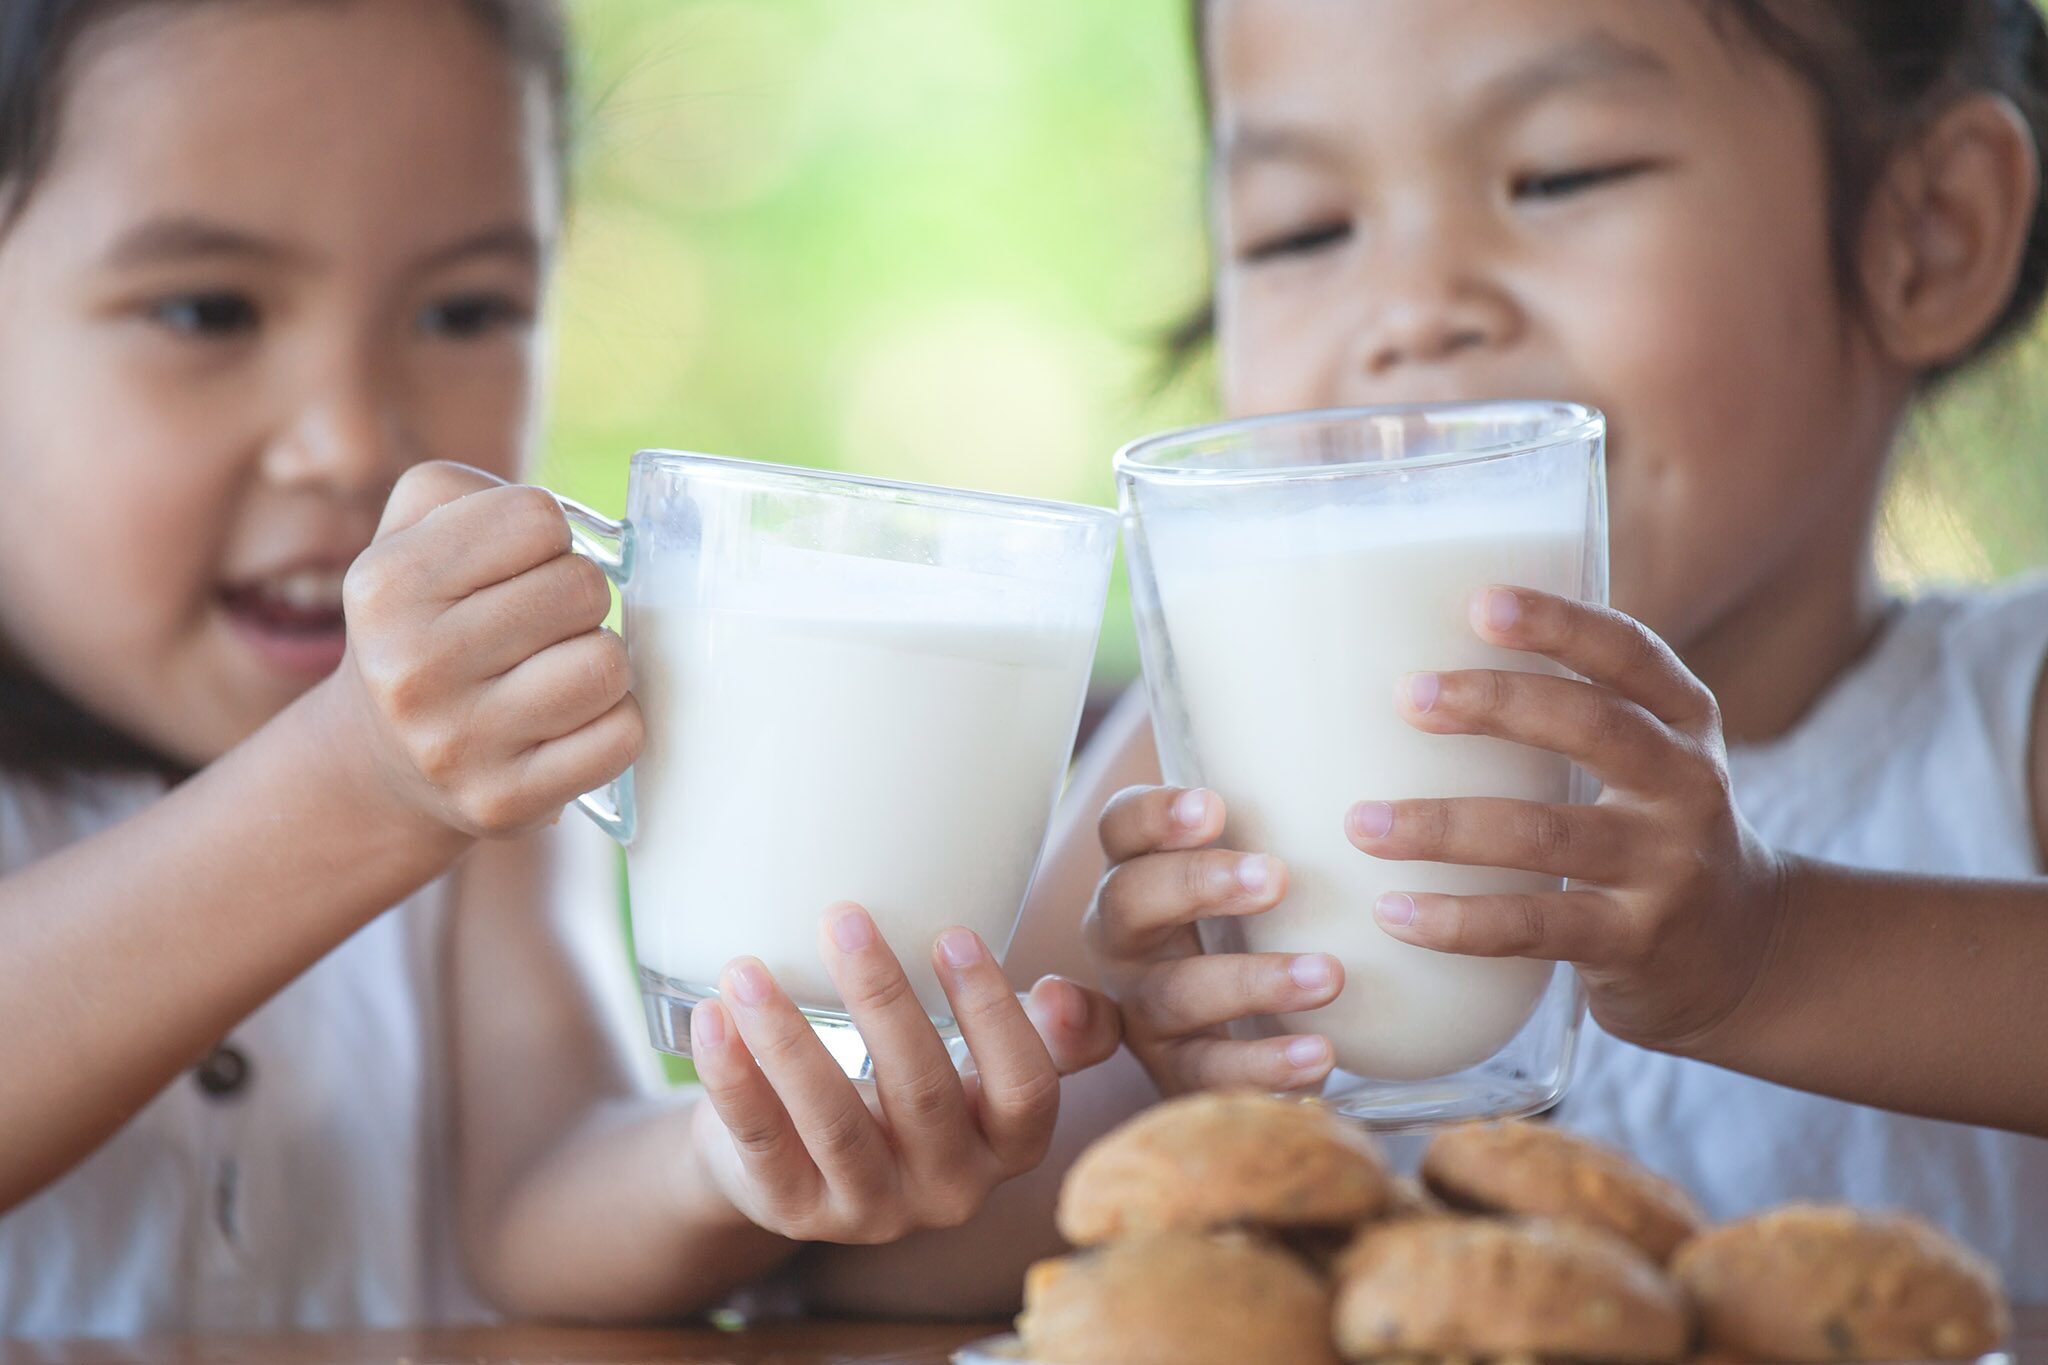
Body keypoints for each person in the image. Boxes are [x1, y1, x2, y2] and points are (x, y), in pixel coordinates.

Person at [0, 0, 1122, 1335]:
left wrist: (730, 1160)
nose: (351, 438)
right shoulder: (405, 786)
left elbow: (540, 1205)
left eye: (469, 307)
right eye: (207, 309)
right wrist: (354, 784)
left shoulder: (505, 808)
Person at [1043, 0, 2048, 1295]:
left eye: (1562, 172)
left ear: (1929, 232)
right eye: (1303, 229)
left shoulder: (2006, 724)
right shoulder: (1205, 765)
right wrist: (1143, 1066)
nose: (1414, 310)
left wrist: (1768, 951)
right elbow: (923, 1234)